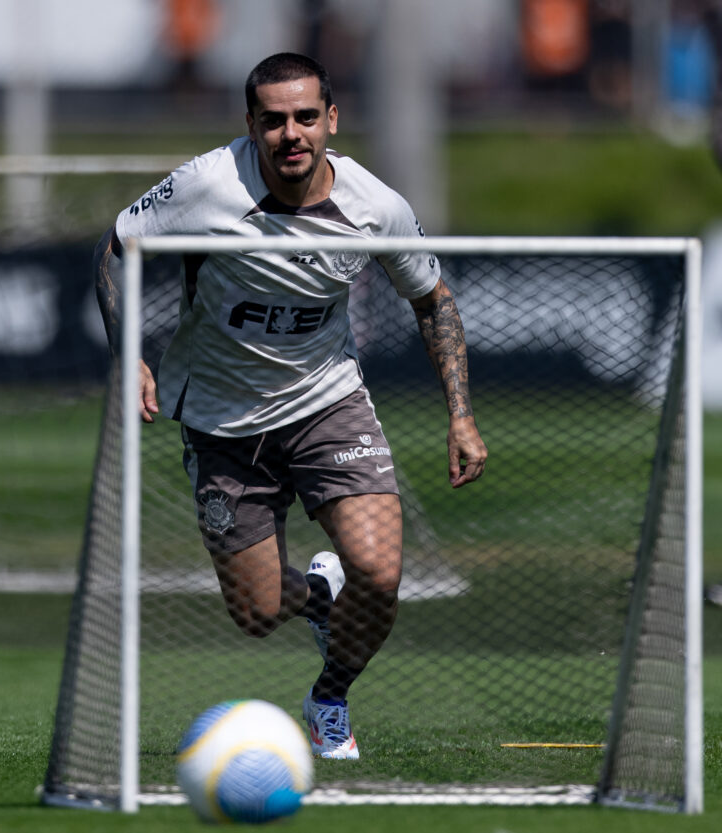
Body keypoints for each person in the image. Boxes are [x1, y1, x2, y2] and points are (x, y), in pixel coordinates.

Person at [94, 52, 487, 760]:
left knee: (379, 571)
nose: (291, 133)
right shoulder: (208, 184)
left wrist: (459, 413)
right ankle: (317, 594)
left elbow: (434, 299)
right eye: (273, 120)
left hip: (326, 403)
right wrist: (130, 355)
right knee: (258, 612)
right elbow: (115, 247)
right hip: (220, 420)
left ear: (332, 120)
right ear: (251, 125)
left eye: (306, 116)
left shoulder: (377, 207)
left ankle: (329, 699)